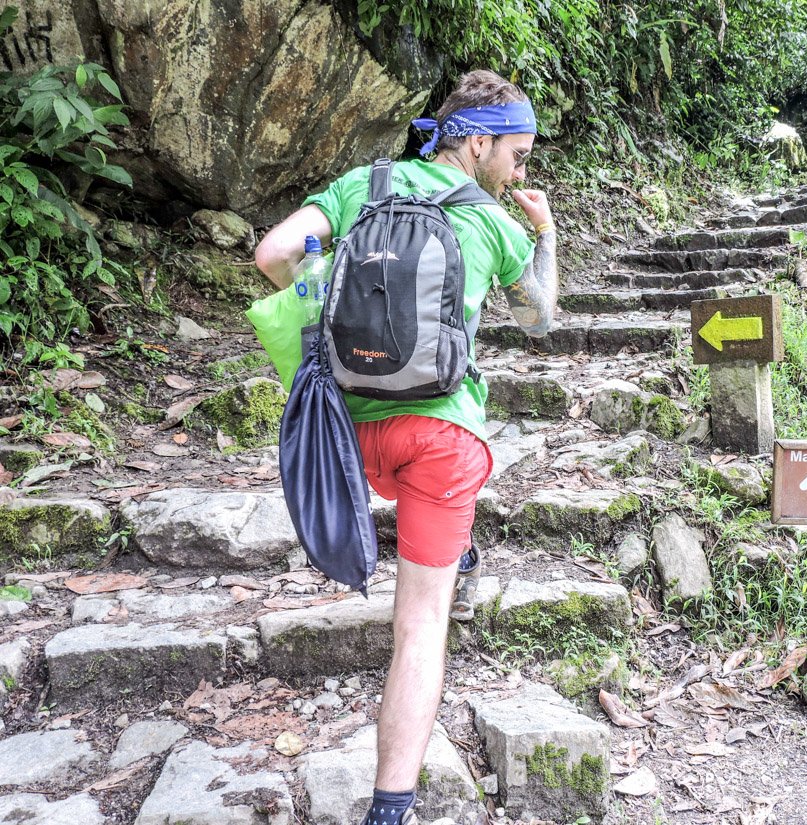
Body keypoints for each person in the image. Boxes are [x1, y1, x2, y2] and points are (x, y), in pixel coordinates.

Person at [254, 70, 558, 825]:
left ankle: (454, 546)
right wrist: (544, 233)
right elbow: (541, 318)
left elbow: (272, 254)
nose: (519, 173)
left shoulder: (366, 183)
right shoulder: (494, 222)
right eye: (515, 156)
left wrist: (323, 293)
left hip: (348, 432)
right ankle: (389, 811)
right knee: (420, 623)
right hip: (442, 436)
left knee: (408, 498)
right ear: (479, 143)